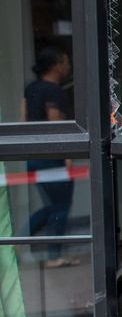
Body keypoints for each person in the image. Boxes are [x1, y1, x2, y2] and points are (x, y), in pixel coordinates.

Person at [21, 46, 76, 268]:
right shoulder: (54, 92)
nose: (68, 66)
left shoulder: (30, 89)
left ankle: (18, 241)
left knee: (52, 207)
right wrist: (67, 157)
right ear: (56, 65)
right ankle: (53, 256)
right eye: (65, 61)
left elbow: (23, 120)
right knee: (60, 207)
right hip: (53, 158)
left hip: (34, 157)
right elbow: (56, 128)